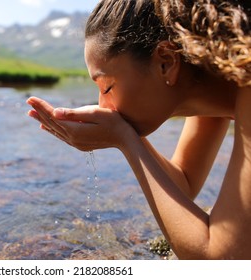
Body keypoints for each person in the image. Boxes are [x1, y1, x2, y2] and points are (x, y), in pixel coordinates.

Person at [26, 0, 251, 259]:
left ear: (166, 61)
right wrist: (125, 135)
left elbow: (221, 260)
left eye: (106, 87)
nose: (103, 105)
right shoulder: (216, 77)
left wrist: (125, 139)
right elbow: (183, 184)